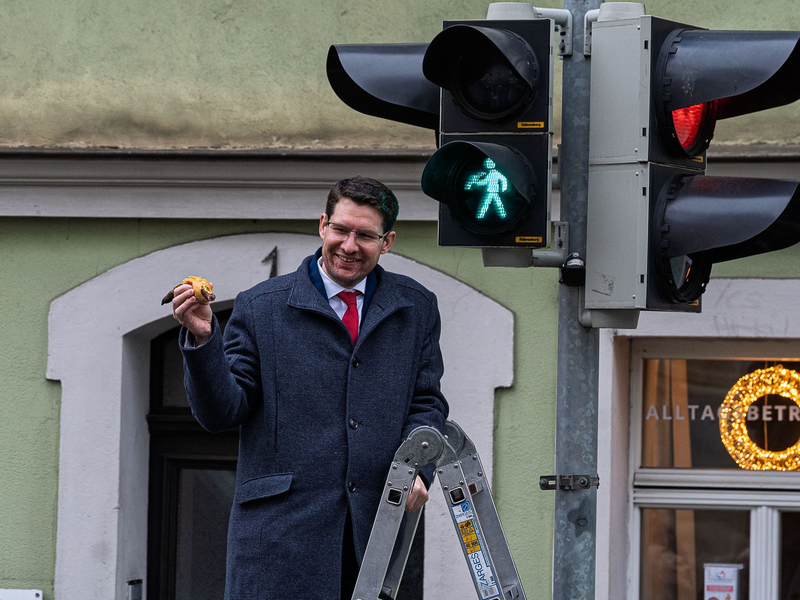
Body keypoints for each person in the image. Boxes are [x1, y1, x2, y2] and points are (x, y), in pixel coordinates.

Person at [170, 176, 449, 600]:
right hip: (279, 541)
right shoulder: (261, 305)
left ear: (387, 241)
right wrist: (205, 339)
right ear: (323, 225)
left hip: (377, 533)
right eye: (341, 230)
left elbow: (426, 402)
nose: (349, 246)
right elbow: (221, 412)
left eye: (366, 235)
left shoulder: (417, 306)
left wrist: (417, 465)